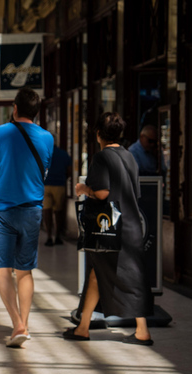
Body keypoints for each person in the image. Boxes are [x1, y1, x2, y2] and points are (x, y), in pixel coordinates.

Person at [64, 112, 154, 345]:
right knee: (120, 275)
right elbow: (135, 193)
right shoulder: (130, 156)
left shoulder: (102, 158)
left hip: (109, 230)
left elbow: (102, 192)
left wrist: (83, 189)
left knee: (99, 271)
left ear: (98, 134)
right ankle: (86, 327)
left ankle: (85, 328)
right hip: (132, 226)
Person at [0, 87, 53, 348]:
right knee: (25, 270)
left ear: (15, 109)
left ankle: (17, 323)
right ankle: (24, 324)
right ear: (37, 112)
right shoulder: (47, 137)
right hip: (32, 209)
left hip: (4, 210)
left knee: (2, 268)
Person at [43, 135, 71, 246]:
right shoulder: (63, 154)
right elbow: (69, 170)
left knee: (46, 211)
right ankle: (58, 236)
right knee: (58, 212)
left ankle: (49, 236)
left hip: (45, 186)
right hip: (59, 185)